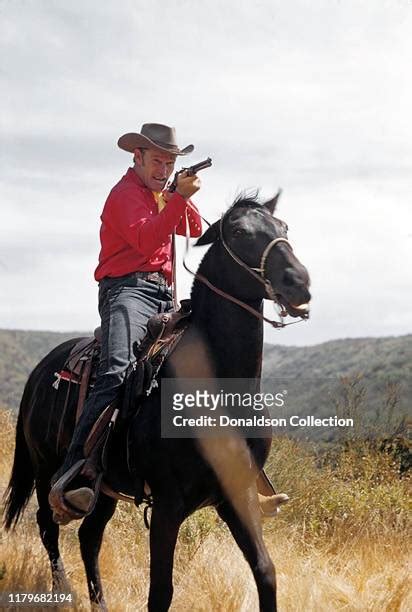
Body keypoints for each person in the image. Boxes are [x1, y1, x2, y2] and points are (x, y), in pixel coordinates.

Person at [49, 122, 288, 524]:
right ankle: (76, 471)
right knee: (116, 370)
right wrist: (176, 197)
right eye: (157, 159)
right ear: (137, 157)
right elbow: (146, 241)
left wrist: (179, 195)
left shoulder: (163, 194)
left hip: (163, 294)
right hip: (126, 292)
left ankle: (245, 479)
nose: (163, 167)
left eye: (170, 161)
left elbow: (193, 229)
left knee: (211, 363)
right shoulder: (123, 195)